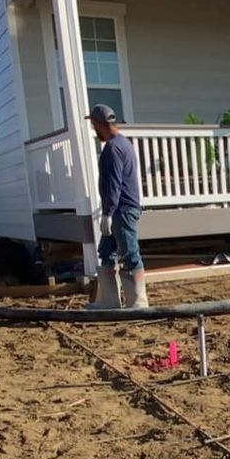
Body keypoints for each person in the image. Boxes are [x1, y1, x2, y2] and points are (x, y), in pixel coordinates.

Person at [90, 104, 146, 309]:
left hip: (121, 211)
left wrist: (108, 213)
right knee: (106, 252)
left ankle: (138, 304)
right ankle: (109, 301)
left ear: (99, 124)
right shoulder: (124, 143)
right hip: (119, 210)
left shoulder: (114, 148)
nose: (94, 130)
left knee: (130, 255)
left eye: (94, 125)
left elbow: (114, 183)